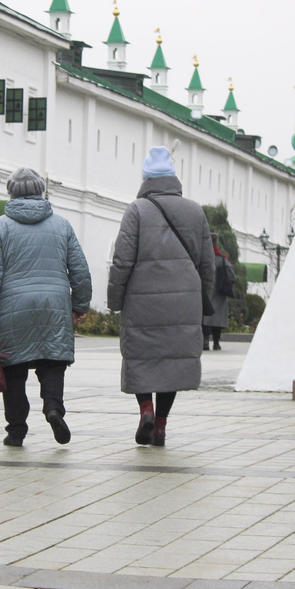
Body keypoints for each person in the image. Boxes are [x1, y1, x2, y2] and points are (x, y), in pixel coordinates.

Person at [106, 146, 214, 447]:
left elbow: (122, 261)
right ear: (173, 177)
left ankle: (146, 410)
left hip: (142, 302)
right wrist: (203, 301)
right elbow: (207, 264)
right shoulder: (195, 211)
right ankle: (162, 427)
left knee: (141, 357)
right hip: (183, 302)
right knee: (172, 364)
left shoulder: (137, 210)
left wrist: (115, 299)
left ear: (146, 178)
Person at [0, 167, 92, 447]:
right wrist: (80, 305)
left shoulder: (0, 226)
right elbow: (79, 269)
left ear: (11, 192)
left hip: (12, 307)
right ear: (41, 191)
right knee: (52, 361)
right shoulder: (62, 225)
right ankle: (53, 408)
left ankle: (16, 430)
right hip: (54, 306)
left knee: (13, 368)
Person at [203, 232, 236, 351]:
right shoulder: (223, 260)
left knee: (205, 318)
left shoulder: (204, 259)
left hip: (206, 293)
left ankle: (205, 342)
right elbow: (232, 277)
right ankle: (216, 343)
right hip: (219, 294)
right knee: (217, 319)